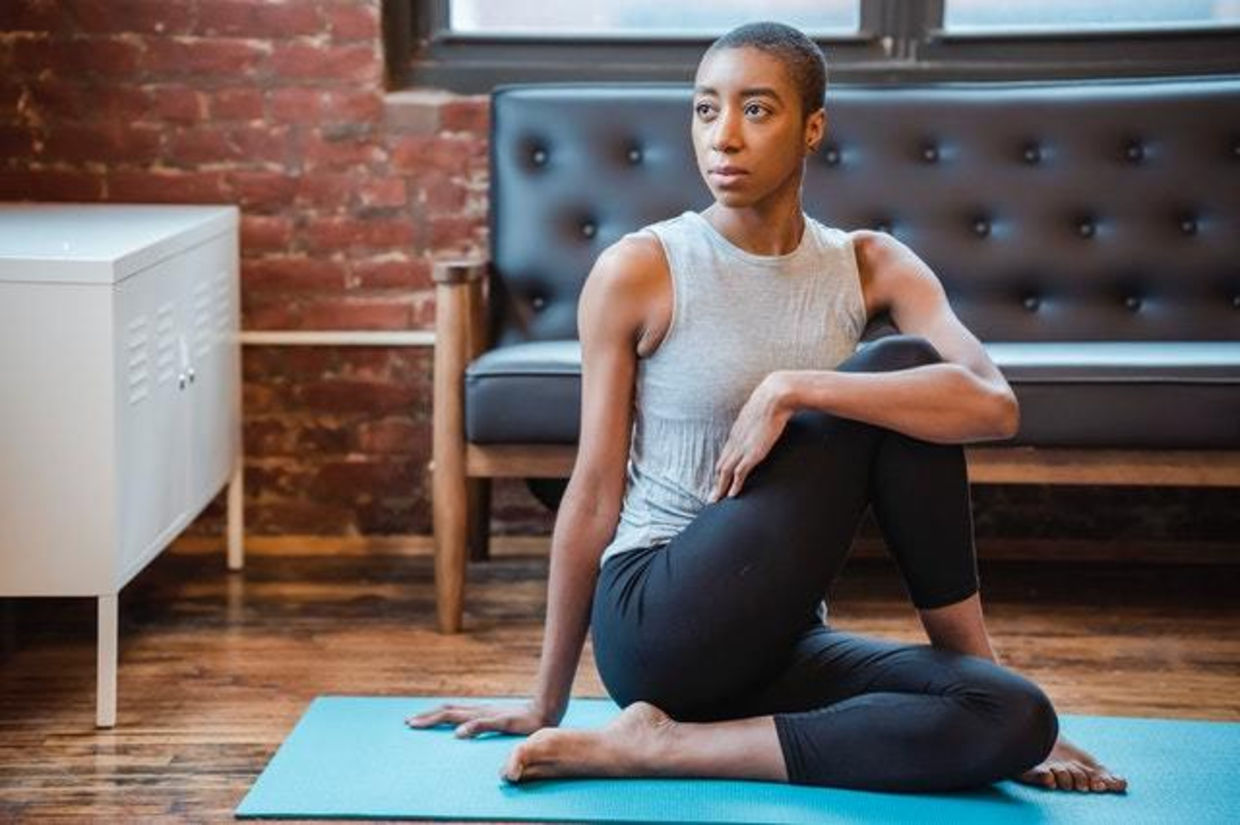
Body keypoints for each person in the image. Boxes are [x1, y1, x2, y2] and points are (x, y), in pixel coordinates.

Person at [407, 20, 1127, 794]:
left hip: (781, 640)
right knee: (903, 369)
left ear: (812, 127)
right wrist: (543, 701)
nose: (724, 136)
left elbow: (993, 405)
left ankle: (665, 746)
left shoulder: (869, 263)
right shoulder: (643, 269)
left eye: (756, 110)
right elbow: (591, 493)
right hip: (659, 620)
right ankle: (651, 725)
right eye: (705, 109)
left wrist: (797, 385)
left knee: (1013, 716)